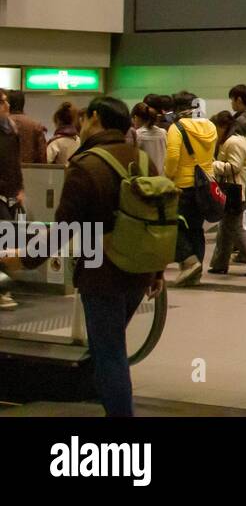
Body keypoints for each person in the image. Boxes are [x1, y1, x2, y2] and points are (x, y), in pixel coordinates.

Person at [6, 97, 164, 415]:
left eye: (84, 117)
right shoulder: (142, 160)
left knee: (109, 354)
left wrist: (25, 259)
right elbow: (157, 218)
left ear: (95, 118)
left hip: (103, 274)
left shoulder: (86, 164)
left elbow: (63, 230)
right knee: (110, 347)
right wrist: (157, 271)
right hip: (139, 271)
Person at [207, 110, 246, 277]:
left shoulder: (233, 142)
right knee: (226, 228)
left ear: (223, 127)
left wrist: (212, 165)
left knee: (234, 228)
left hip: (234, 191)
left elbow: (233, 167)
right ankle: (219, 263)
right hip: (242, 190)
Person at [164, 90, 216, 287]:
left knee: (174, 225)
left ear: (178, 108)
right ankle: (196, 271)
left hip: (183, 185)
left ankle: (189, 261)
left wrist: (167, 177)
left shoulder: (177, 128)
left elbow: (173, 158)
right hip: (205, 184)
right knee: (196, 228)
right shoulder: (210, 125)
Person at [0, 90, 24, 310]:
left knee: (7, 237)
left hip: (7, 193)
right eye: (3, 101)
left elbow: (14, 162)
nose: (7, 105)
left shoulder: (10, 129)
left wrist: (19, 187)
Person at [4, 89, 47, 164]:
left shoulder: (3, 124)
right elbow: (42, 155)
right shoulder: (35, 126)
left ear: (8, 103)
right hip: (30, 171)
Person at [128, 102, 168, 176]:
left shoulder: (137, 134)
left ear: (136, 117)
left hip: (146, 181)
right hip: (163, 179)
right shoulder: (163, 132)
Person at [46, 102, 82, 166]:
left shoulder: (55, 142)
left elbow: (46, 162)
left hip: (59, 175)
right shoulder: (79, 140)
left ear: (58, 121)